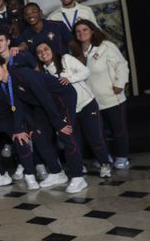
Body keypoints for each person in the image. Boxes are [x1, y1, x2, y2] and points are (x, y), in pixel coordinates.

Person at [0, 55, 85, 192]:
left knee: (66, 134)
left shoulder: (23, 74)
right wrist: (19, 128)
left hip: (61, 99)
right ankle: (57, 173)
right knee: (38, 135)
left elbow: (45, 97)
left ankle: (78, 176)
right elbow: (19, 106)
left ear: (4, 66)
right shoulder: (6, 83)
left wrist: (58, 123)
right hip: (42, 106)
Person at [35, 41, 111, 177]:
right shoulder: (41, 73)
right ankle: (79, 166)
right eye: (39, 52)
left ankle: (104, 163)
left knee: (95, 137)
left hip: (86, 104)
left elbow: (86, 71)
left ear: (52, 49)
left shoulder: (66, 59)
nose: (43, 53)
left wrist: (69, 78)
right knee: (74, 142)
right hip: (68, 112)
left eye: (45, 49)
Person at [74, 19, 131, 169]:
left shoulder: (106, 46)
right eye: (78, 31)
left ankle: (122, 157)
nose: (81, 33)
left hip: (111, 97)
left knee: (118, 129)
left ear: (92, 31)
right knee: (98, 133)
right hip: (90, 102)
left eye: (85, 29)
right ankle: (105, 158)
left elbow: (122, 65)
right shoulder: (75, 52)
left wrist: (120, 84)